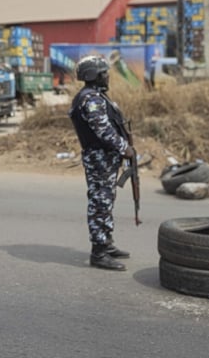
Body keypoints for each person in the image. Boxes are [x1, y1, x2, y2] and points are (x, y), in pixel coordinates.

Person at [68, 55, 135, 271]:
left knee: (106, 200)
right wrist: (124, 148)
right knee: (100, 202)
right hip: (99, 157)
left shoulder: (96, 96)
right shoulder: (91, 99)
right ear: (93, 75)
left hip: (104, 157)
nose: (107, 76)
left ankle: (106, 243)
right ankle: (99, 253)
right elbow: (103, 130)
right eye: (104, 72)